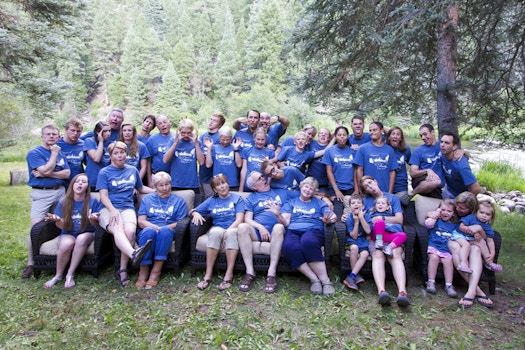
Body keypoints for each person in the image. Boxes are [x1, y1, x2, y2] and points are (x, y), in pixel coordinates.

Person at [96, 141, 155, 286]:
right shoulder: (104, 172)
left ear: (126, 154)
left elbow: (140, 189)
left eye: (122, 152)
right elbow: (103, 196)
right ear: (111, 156)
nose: (120, 155)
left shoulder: (132, 170)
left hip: (127, 207)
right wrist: (113, 210)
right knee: (117, 229)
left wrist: (156, 191)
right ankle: (133, 255)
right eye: (116, 153)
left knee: (130, 232)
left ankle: (124, 267)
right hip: (108, 209)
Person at [23, 124, 71, 278]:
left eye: (54, 134)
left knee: (61, 222)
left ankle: (57, 255)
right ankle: (31, 262)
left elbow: (66, 173)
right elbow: (44, 169)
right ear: (42, 136)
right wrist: (54, 156)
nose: (51, 137)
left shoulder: (60, 153)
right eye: (48, 134)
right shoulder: (34, 153)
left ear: (58, 137)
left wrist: (47, 173)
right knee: (36, 227)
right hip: (42, 194)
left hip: (59, 191)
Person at [237, 171, 295, 293]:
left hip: (276, 231)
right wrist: (260, 227)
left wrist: (322, 198)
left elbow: (304, 194)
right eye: (259, 179)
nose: (263, 179)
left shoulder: (281, 192)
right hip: (258, 232)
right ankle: (250, 272)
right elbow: (247, 219)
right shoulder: (251, 198)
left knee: (278, 227)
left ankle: (271, 273)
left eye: (262, 176)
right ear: (254, 187)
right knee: (242, 227)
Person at [43, 174, 103, 289]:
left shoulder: (93, 201)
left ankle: (70, 274)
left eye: (83, 182)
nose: (80, 183)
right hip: (68, 232)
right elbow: (61, 227)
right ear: (72, 185)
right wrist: (58, 220)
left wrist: (92, 219)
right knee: (66, 244)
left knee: (81, 239)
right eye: (77, 181)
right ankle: (58, 275)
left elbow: (97, 226)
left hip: (87, 232)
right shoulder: (64, 202)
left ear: (87, 186)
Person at [280, 177, 337, 296]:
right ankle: (314, 279)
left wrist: (328, 220)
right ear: (301, 187)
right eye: (306, 186)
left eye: (311, 189)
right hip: (293, 230)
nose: (308, 190)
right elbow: (285, 222)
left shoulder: (319, 203)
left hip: (313, 229)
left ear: (314, 192)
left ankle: (326, 281)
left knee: (308, 242)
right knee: (288, 246)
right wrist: (277, 215)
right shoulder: (291, 202)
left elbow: (333, 217)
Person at [359, 175, 409, 307]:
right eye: (366, 187)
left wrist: (381, 218)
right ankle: (382, 291)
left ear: (375, 181)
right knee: (377, 254)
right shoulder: (366, 201)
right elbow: (358, 213)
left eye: (370, 183)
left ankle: (402, 292)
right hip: (376, 237)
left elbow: (399, 219)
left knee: (395, 254)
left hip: (393, 235)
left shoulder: (393, 198)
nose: (370, 187)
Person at [191, 175, 245, 291]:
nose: (222, 186)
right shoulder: (211, 201)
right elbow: (193, 210)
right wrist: (195, 213)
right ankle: (208, 274)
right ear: (215, 189)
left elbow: (240, 219)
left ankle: (228, 274)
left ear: (228, 184)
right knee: (215, 232)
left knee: (231, 234)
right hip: (218, 227)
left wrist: (227, 231)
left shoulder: (237, 199)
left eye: (224, 183)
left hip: (234, 227)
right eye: (218, 185)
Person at [136, 172, 188, 289]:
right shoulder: (147, 199)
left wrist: (164, 228)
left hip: (169, 230)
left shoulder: (178, 201)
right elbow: (141, 221)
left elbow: (180, 222)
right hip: (149, 228)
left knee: (165, 231)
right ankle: (143, 271)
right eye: (161, 185)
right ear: (155, 186)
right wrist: (155, 228)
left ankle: (156, 272)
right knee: (149, 231)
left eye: (167, 184)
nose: (165, 188)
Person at [444, 192, 494, 308]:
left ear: (471, 209)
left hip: (468, 240)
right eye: (457, 206)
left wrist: (479, 230)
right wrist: (433, 213)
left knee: (476, 249)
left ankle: (470, 292)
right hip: (450, 238)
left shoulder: (475, 215)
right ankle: (477, 291)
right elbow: (437, 212)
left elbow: (487, 236)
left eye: (462, 208)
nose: (458, 209)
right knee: (456, 248)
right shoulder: (451, 206)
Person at [423, 199, 459, 298]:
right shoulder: (436, 221)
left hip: (445, 248)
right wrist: (436, 214)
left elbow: (457, 237)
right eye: (443, 210)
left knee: (448, 261)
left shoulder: (454, 225)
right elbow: (428, 224)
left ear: (453, 214)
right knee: (434, 258)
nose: (445, 213)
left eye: (449, 211)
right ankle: (431, 281)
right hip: (433, 245)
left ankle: (449, 285)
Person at [454, 200, 502, 272]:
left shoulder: (487, 226)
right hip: (460, 236)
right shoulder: (471, 217)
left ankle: (489, 263)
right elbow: (461, 227)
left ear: (491, 217)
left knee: (482, 242)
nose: (484, 215)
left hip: (471, 239)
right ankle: (463, 263)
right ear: (476, 212)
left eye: (487, 214)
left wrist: (492, 253)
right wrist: (472, 231)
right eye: (481, 212)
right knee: (466, 245)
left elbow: (490, 241)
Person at [354, 121, 397, 194]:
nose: (372, 132)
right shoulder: (363, 148)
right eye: (370, 130)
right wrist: (361, 191)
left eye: (375, 130)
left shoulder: (390, 150)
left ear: (381, 131)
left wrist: (390, 192)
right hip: (368, 192)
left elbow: (392, 172)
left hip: (384, 190)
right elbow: (359, 170)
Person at [163, 118, 204, 193]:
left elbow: (201, 162)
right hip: (176, 183)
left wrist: (196, 144)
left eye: (189, 133)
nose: (186, 135)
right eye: (183, 132)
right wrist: (175, 144)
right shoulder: (173, 140)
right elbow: (165, 160)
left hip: (192, 183)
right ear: (179, 131)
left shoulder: (197, 142)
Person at [342, 194, 372, 291]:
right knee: (354, 248)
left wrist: (361, 218)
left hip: (363, 241)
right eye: (353, 203)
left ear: (363, 206)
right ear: (350, 207)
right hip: (353, 241)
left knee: (365, 253)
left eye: (358, 203)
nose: (356, 205)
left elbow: (368, 231)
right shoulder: (349, 218)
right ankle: (355, 276)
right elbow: (354, 236)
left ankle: (351, 276)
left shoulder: (367, 216)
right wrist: (356, 222)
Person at [440, 131, 481, 199]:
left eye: (446, 143)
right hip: (448, 190)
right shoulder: (443, 153)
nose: (442, 145)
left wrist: (463, 202)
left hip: (459, 196)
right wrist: (464, 151)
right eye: (441, 142)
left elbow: (476, 189)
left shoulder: (461, 166)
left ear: (454, 147)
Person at [408, 124, 443, 199]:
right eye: (421, 136)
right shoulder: (418, 151)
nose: (423, 138)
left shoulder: (442, 146)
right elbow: (412, 173)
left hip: (437, 187)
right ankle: (411, 194)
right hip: (421, 180)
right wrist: (427, 170)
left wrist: (464, 153)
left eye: (425, 134)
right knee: (435, 181)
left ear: (433, 132)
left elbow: (455, 152)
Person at [322, 125, 356, 202]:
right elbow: (329, 171)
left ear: (347, 136)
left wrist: (356, 190)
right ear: (335, 137)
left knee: (350, 210)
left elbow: (356, 171)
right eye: (339, 135)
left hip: (350, 187)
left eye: (344, 135)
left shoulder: (353, 151)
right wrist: (336, 190)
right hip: (335, 187)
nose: (342, 137)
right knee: (338, 210)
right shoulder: (329, 151)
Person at [203, 126, 242, 190]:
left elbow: (239, 164)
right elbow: (208, 165)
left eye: (228, 139)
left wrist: (236, 149)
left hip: (232, 183)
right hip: (218, 183)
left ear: (231, 138)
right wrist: (209, 149)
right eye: (223, 139)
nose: (225, 142)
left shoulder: (234, 147)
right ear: (219, 138)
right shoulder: (214, 148)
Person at [238, 128, 275, 192]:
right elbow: (244, 170)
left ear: (266, 139)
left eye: (262, 139)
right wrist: (241, 188)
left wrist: (267, 185)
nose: (260, 142)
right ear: (254, 138)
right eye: (258, 139)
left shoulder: (270, 152)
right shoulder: (247, 150)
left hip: (262, 187)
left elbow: (271, 172)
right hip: (248, 186)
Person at [199, 113, 226, 197]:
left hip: (213, 175)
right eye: (211, 119)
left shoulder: (220, 138)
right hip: (202, 173)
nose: (211, 122)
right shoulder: (203, 136)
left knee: (211, 198)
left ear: (220, 125)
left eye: (214, 121)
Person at [146, 114, 175, 187]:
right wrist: (149, 180)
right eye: (159, 123)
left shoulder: (177, 138)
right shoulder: (152, 140)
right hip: (156, 175)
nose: (163, 125)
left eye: (164, 122)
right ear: (157, 127)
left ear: (170, 122)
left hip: (174, 176)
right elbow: (148, 161)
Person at [386, 126, 411, 204]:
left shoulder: (406, 150)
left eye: (398, 134)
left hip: (401, 186)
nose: (395, 136)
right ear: (389, 137)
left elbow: (413, 165)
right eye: (393, 134)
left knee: (401, 207)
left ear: (401, 138)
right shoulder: (384, 149)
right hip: (386, 186)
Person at [84, 121, 111, 191]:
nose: (108, 134)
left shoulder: (110, 144)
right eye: (105, 131)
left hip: (106, 180)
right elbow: (96, 158)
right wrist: (101, 142)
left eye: (109, 131)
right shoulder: (89, 141)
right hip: (93, 181)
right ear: (98, 132)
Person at [57, 118, 85, 185]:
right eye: (72, 130)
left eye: (78, 131)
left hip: (77, 182)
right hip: (61, 182)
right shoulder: (57, 145)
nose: (75, 133)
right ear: (66, 130)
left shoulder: (83, 145)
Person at [307, 127, 332, 195]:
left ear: (329, 138)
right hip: (310, 180)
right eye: (321, 133)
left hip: (324, 183)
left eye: (326, 134)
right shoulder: (311, 143)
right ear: (318, 136)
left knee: (322, 197)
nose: (323, 135)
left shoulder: (332, 147)